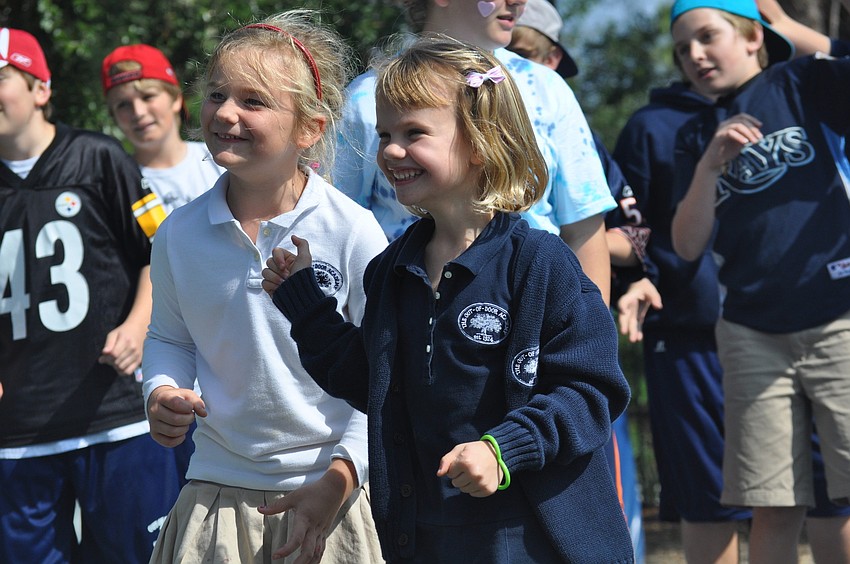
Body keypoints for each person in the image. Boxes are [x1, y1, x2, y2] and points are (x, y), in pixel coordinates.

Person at [263, 35, 634, 563]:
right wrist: (308, 308)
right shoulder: (391, 271)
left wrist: (503, 451)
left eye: (414, 133)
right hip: (427, 537)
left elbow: (590, 390)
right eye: (385, 133)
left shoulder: (541, 264)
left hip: (531, 537)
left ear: (482, 143)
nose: (390, 151)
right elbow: (371, 383)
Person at [141, 11, 386, 563]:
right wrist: (161, 391)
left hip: (331, 498)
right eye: (216, 94)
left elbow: (383, 374)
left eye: (253, 101)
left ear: (311, 128)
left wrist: (342, 477)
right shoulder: (179, 233)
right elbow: (170, 338)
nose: (225, 113)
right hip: (215, 496)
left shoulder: (351, 229)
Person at [669, 0, 850, 562]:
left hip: (838, 318)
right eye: (681, 49)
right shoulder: (694, 131)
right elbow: (686, 244)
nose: (694, 55)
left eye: (706, 36)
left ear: (752, 37)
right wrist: (709, 167)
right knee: (772, 505)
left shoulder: (802, 81)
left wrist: (788, 26)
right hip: (751, 334)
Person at [0, 27, 182, 564]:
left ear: (40, 89)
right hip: (20, 431)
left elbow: (162, 249)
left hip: (116, 415)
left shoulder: (101, 158)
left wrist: (137, 321)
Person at [334, 0, 616, 305]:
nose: (519, 2)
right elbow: (337, 229)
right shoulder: (368, 98)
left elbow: (584, 229)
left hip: (533, 328)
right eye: (386, 135)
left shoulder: (547, 89)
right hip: (402, 328)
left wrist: (590, 343)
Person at [507, 1, 647, 559]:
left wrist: (558, 255)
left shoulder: (573, 131)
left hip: (562, 338)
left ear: (552, 58)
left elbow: (638, 236)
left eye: (520, 56)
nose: (504, 72)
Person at [102, 43, 224, 215]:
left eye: (148, 97)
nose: (138, 112)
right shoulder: (116, 185)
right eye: (123, 105)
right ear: (113, 115)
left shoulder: (219, 161)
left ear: (176, 99)